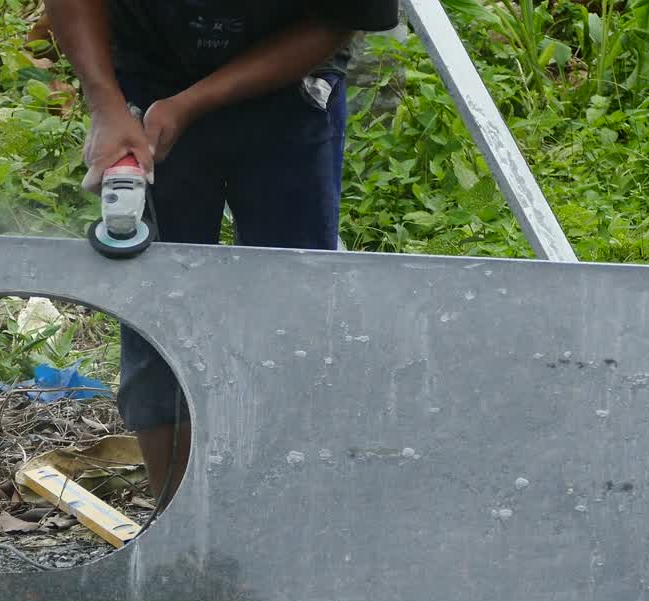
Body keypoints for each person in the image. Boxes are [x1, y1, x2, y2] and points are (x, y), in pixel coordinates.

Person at [44, 1, 400, 506]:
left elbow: (332, 21)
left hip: (288, 88)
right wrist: (105, 103)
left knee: (291, 309)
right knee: (157, 305)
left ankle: (281, 509)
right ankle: (178, 522)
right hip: (147, 81)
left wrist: (190, 104)